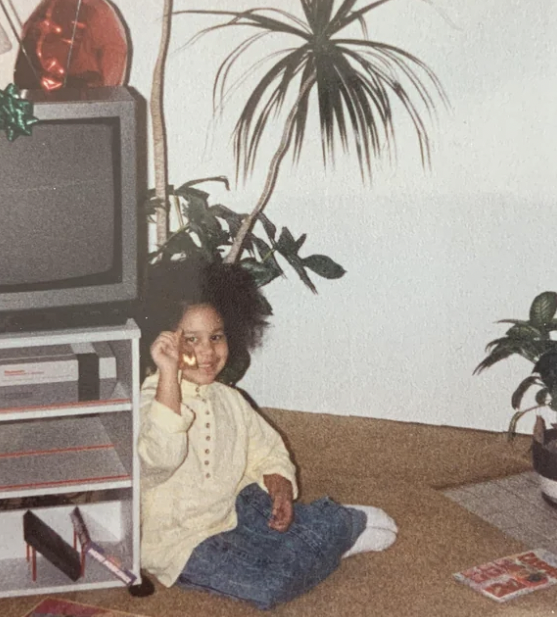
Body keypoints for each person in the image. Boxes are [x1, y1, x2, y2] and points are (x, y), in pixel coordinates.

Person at [137, 259, 398, 610]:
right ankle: (339, 530)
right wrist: (169, 376)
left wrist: (279, 486)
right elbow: (158, 460)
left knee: (275, 520)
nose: (206, 352)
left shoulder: (230, 399)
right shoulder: (145, 403)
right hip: (179, 541)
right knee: (268, 587)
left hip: (238, 509)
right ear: (163, 342)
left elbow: (266, 450)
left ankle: (326, 531)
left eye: (216, 336)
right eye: (191, 340)